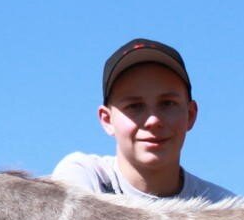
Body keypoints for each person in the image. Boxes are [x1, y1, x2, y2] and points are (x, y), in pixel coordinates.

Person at [51, 38, 234, 203]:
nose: (153, 120)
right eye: (134, 106)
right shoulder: (85, 178)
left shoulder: (223, 210)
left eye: (167, 103)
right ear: (107, 120)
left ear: (191, 115)